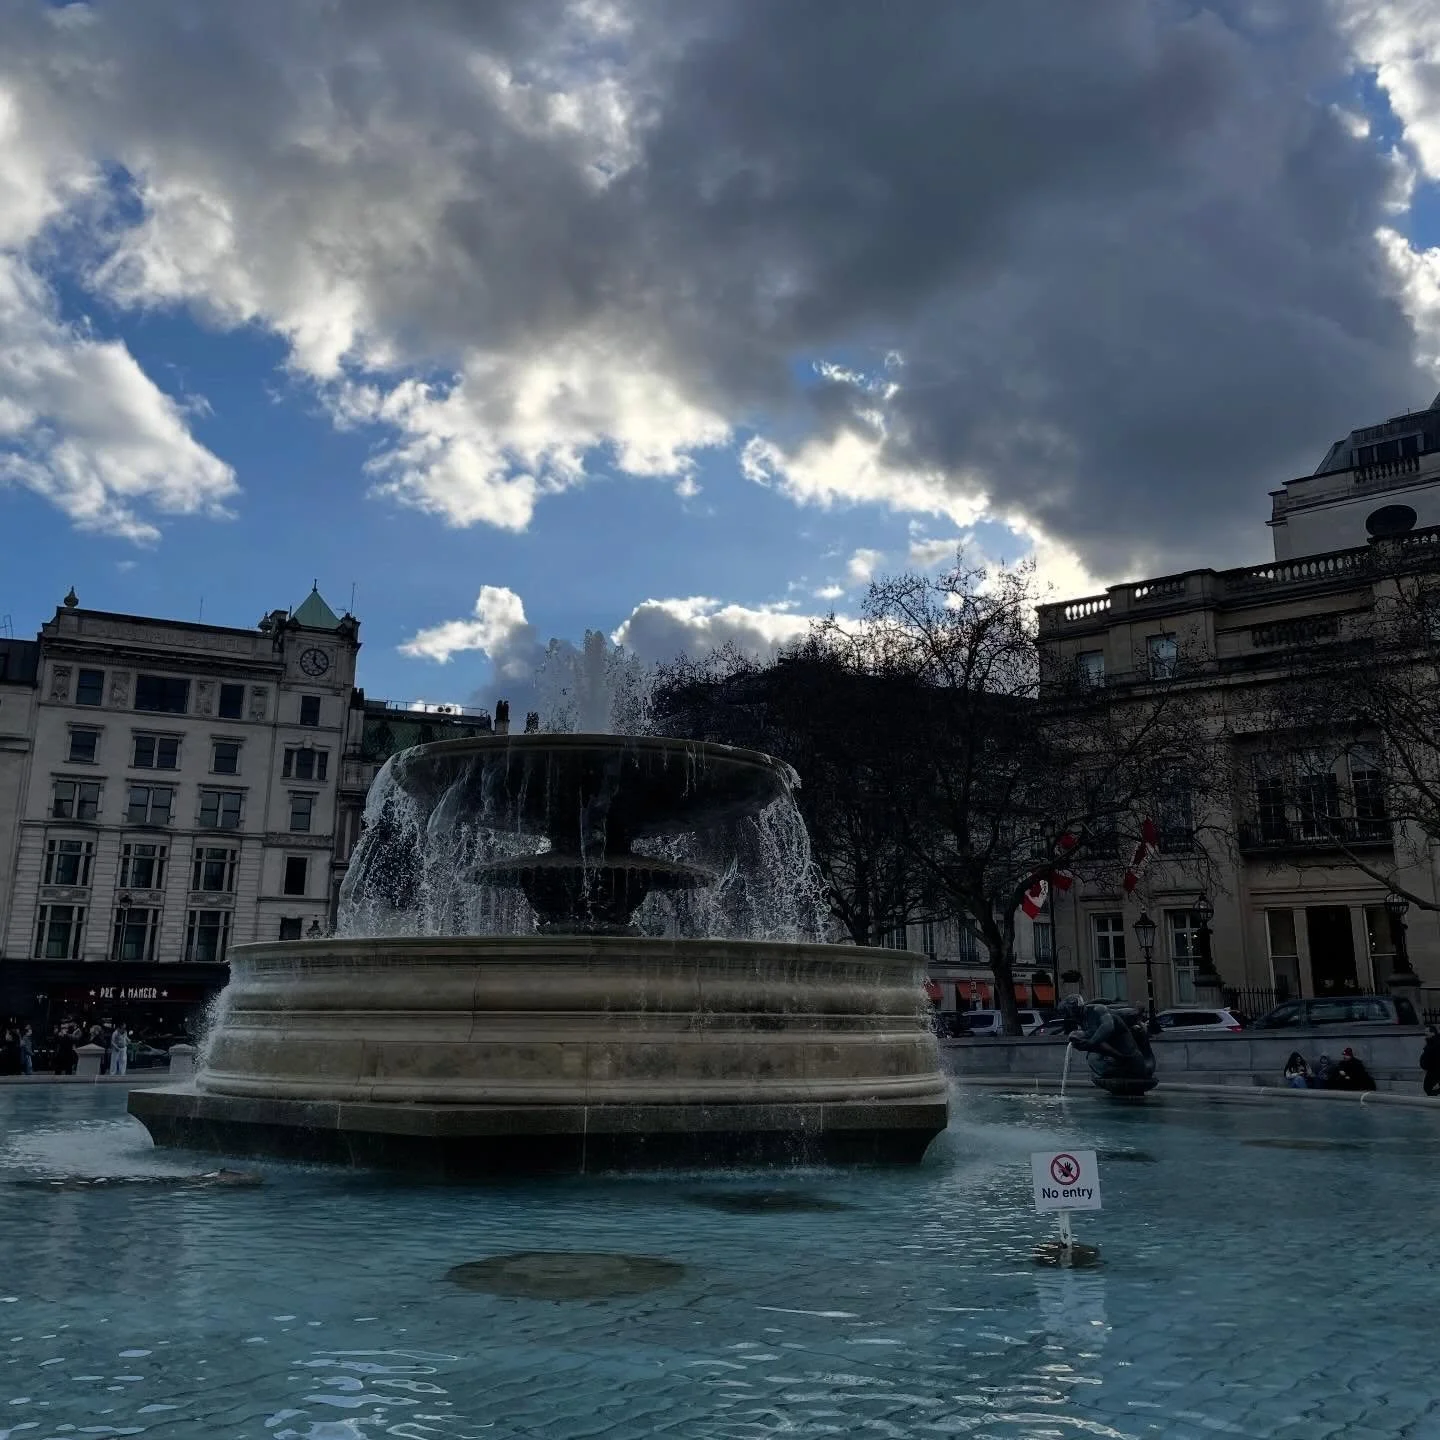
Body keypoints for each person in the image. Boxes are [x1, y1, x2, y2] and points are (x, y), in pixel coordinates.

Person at [1421, 1026, 1440, 1098]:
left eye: (1427, 1031)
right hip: (1431, 1070)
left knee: (1428, 1089)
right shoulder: (1430, 1042)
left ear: (1433, 1033)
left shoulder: (1436, 1043)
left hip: (1435, 1070)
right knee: (1427, 1089)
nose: (1425, 1033)